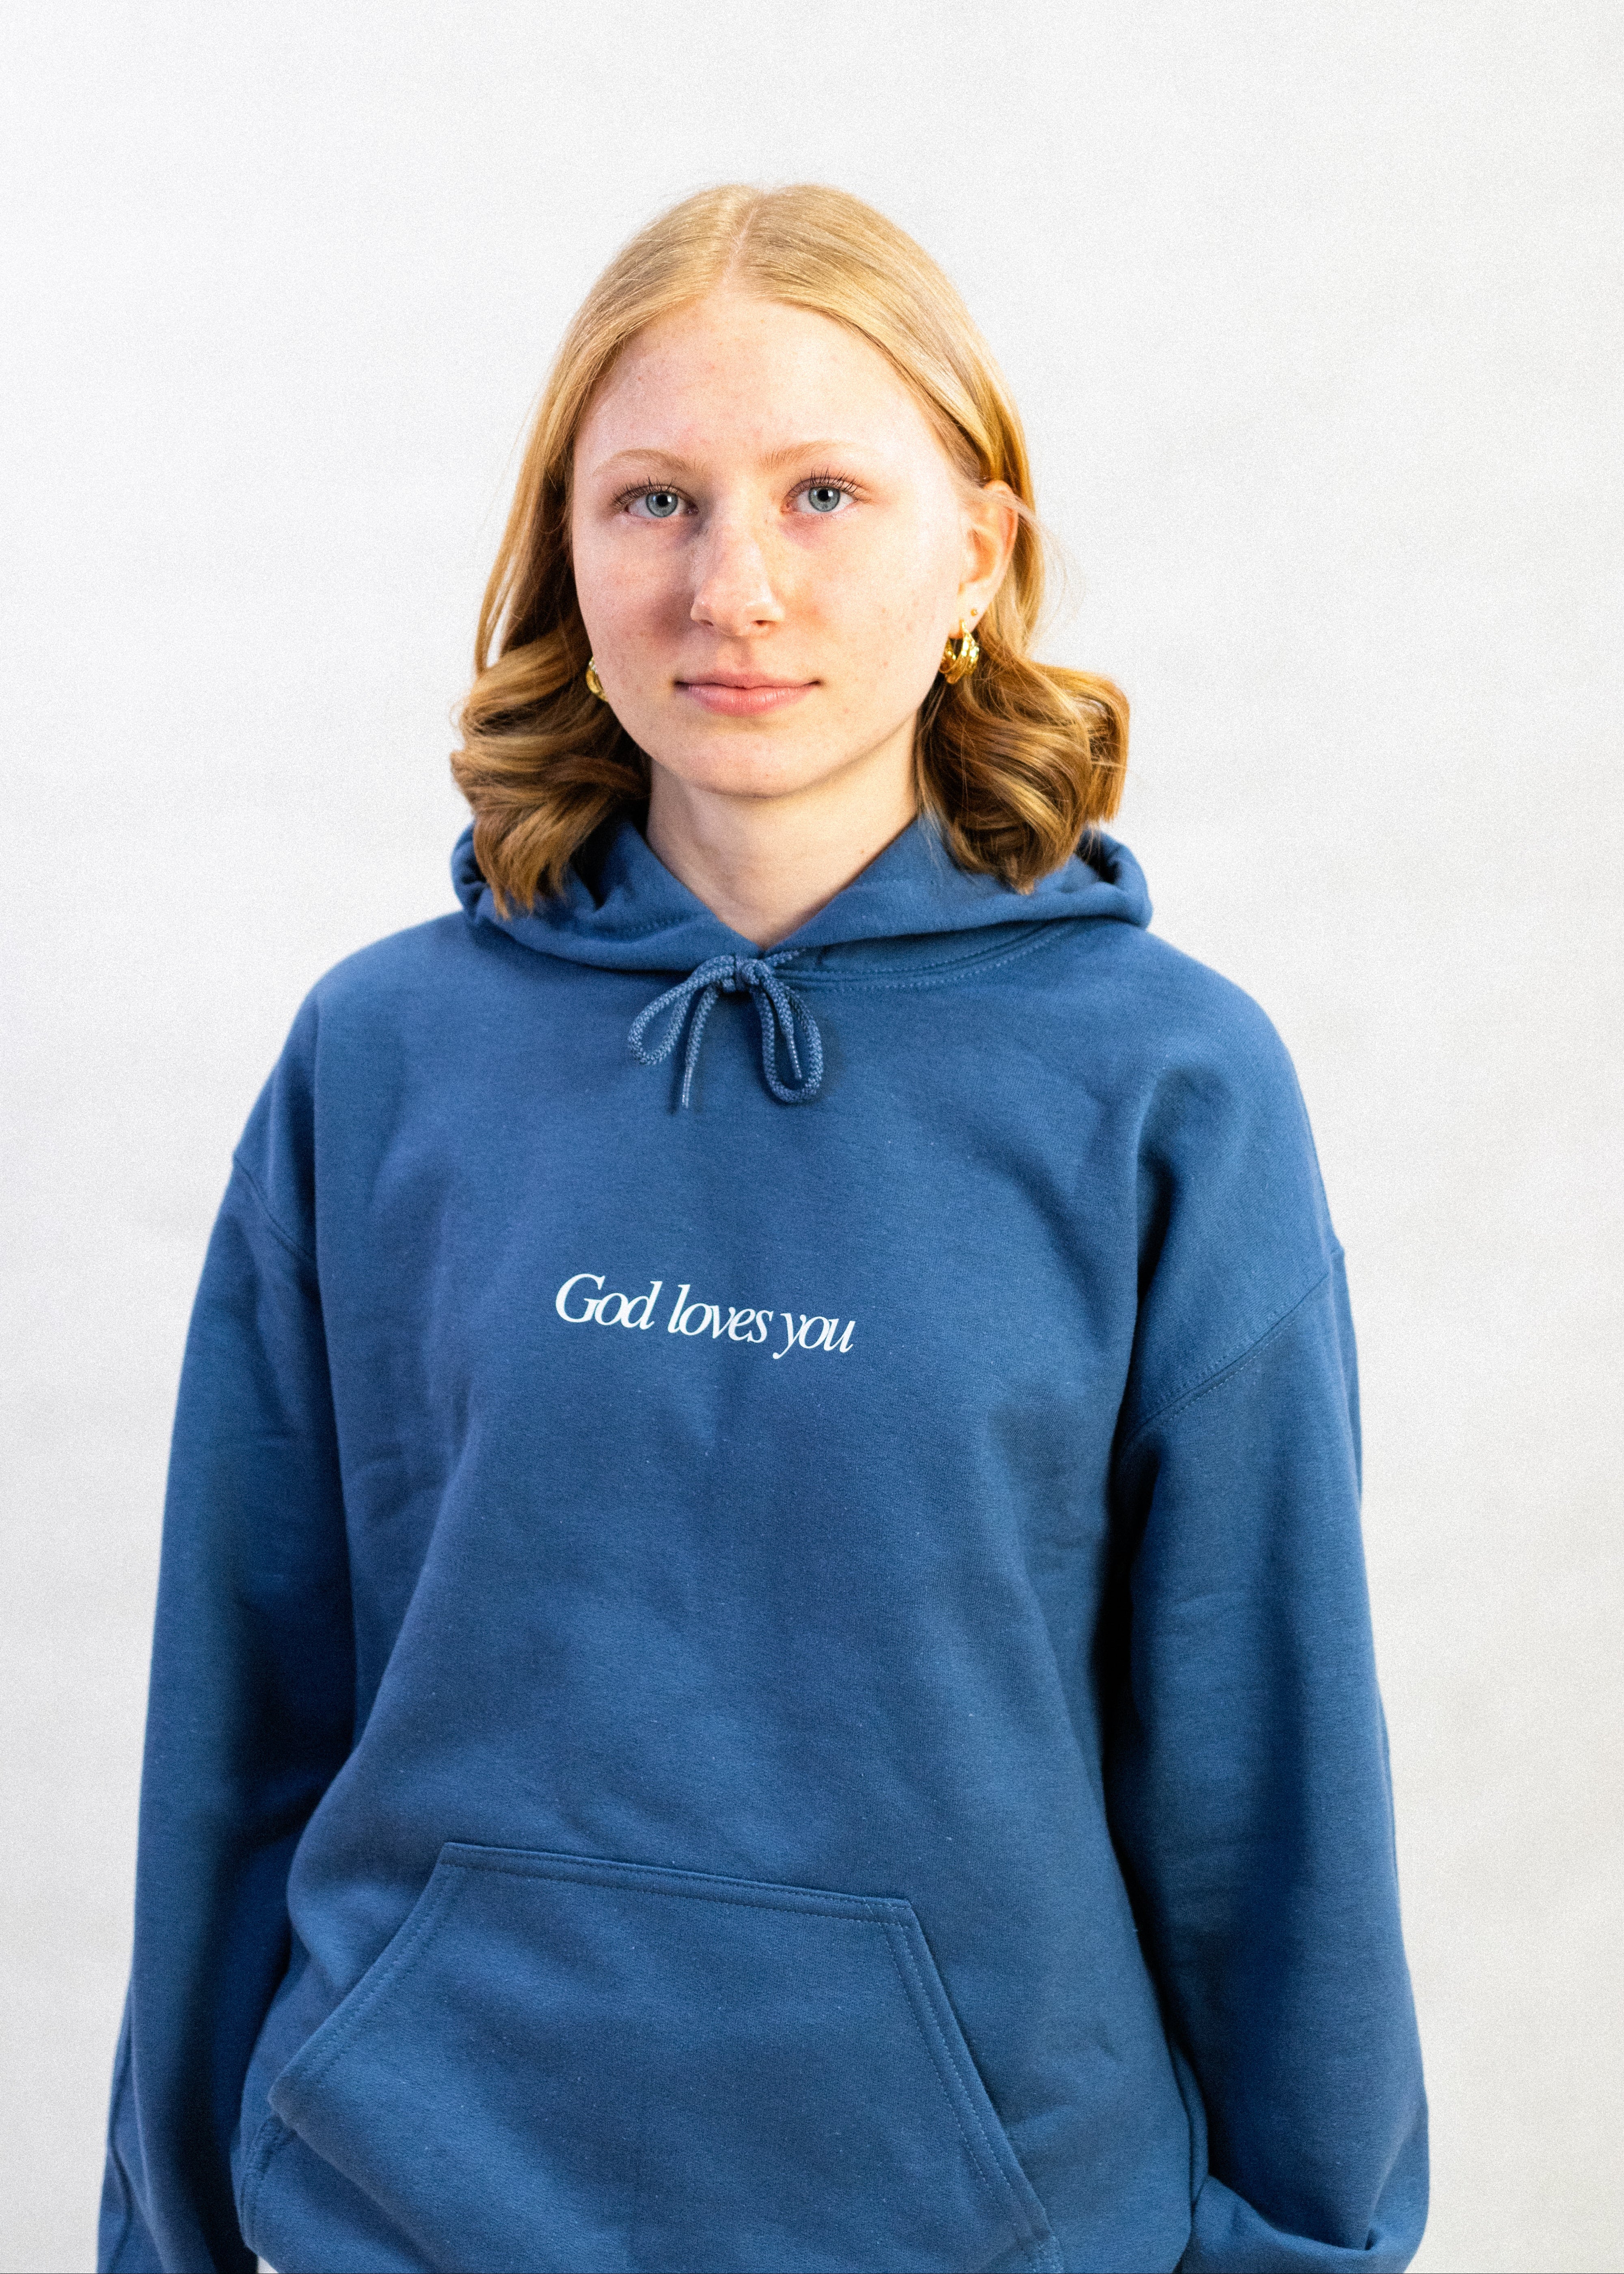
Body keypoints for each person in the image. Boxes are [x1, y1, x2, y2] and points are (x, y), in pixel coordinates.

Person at [99, 183, 1427, 2274]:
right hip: (411, 2213)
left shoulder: (1166, 1084)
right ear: (565, 548)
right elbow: (240, 1710)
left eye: (824, 492)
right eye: (654, 500)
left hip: (985, 2229)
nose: (734, 586)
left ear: (974, 548)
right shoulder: (385, 1056)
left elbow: (1269, 1774)